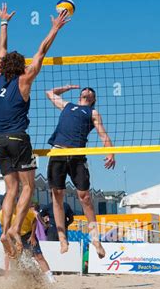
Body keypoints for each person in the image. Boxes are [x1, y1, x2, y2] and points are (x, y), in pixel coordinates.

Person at [0, 2, 70, 257]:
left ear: (3, 67)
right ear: (21, 67)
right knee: (28, 187)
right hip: (18, 138)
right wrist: (55, 28)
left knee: (10, 188)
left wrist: (4, 22)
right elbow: (42, 50)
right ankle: (15, 229)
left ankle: (4, 231)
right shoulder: (25, 79)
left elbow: (1, 47)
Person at [45, 85, 115, 257]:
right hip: (59, 152)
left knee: (85, 197)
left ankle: (95, 239)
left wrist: (110, 152)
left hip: (77, 155)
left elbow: (103, 135)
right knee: (57, 194)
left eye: (91, 92)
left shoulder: (92, 113)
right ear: (80, 96)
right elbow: (50, 93)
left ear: (93, 99)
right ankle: (63, 239)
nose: (88, 91)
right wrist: (68, 87)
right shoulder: (67, 106)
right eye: (85, 90)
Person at [0, 205, 55, 284]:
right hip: (13, 236)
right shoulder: (2, 213)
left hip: (27, 234)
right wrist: (10, 241)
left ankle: (50, 277)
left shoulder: (22, 210)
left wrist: (32, 236)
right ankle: (11, 277)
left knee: (38, 256)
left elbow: (34, 221)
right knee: (12, 257)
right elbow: (3, 227)